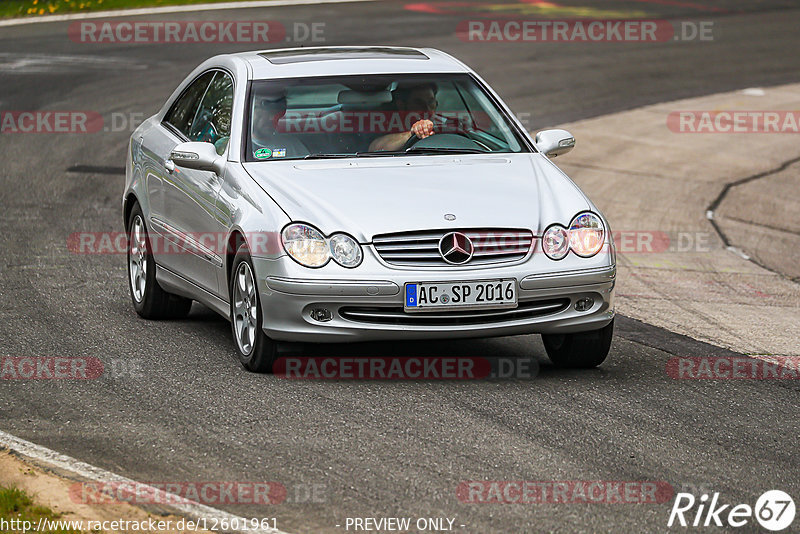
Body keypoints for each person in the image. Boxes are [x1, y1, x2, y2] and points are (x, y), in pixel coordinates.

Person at [368, 83, 438, 152]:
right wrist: (414, 132)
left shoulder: (445, 122)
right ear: (401, 105)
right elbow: (374, 147)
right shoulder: (387, 124)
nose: (427, 109)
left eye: (431, 102)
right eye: (419, 103)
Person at [251, 88, 309, 159]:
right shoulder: (237, 147)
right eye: (267, 110)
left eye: (278, 112)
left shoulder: (291, 145)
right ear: (251, 110)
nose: (273, 118)